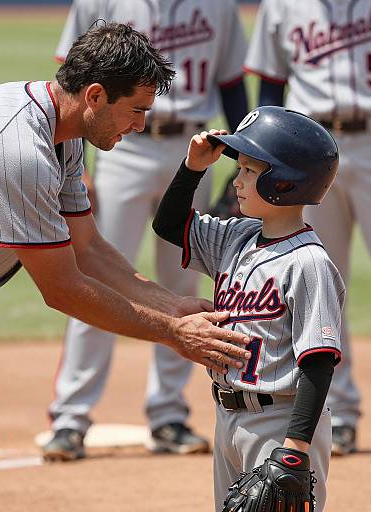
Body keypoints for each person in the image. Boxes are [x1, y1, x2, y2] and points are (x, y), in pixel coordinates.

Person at [0, 23, 252, 512]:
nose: (141, 124)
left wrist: (174, 304)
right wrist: (174, 333)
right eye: (137, 110)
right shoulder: (20, 146)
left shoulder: (63, 131)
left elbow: (88, 249)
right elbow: (63, 288)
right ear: (96, 95)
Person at [43, 0, 249, 461]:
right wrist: (76, 163)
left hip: (194, 146)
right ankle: (71, 417)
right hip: (121, 150)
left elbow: (233, 87)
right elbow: (72, 86)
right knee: (94, 276)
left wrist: (242, 166)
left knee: (181, 279)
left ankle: (169, 414)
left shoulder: (218, 7)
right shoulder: (98, 3)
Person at [152, 106, 345, 512]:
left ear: (284, 183)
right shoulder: (235, 237)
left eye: (249, 171)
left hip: (281, 423)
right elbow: (169, 225)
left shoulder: (308, 263)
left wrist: (295, 449)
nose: (236, 181)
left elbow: (319, 360)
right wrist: (191, 169)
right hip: (227, 416)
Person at [243, 0, 371, 456]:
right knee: (319, 282)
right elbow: (270, 85)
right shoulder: (283, 6)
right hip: (305, 151)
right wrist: (263, 157)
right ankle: (339, 415)